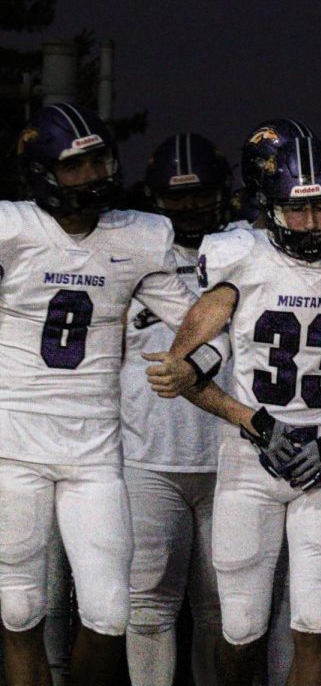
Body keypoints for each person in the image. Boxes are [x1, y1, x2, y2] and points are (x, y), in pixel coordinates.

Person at [148, 136, 321, 686]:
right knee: (242, 626)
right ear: (271, 210)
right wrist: (255, 422)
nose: (310, 221)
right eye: (297, 208)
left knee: (315, 618)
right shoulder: (241, 257)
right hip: (250, 462)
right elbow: (182, 371)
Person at [0, 103, 201, 686]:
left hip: (94, 449)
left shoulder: (140, 235)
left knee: (111, 614)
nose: (92, 176)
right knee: (18, 607)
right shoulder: (12, 229)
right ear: (41, 174)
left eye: (99, 161)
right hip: (14, 441)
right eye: (75, 166)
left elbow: (198, 321)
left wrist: (198, 361)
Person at [121, 133, 232, 686]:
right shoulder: (133, 252)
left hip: (231, 454)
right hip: (147, 455)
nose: (190, 206)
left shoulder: (247, 251)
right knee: (146, 603)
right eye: (177, 196)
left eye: (201, 193)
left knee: (224, 607)